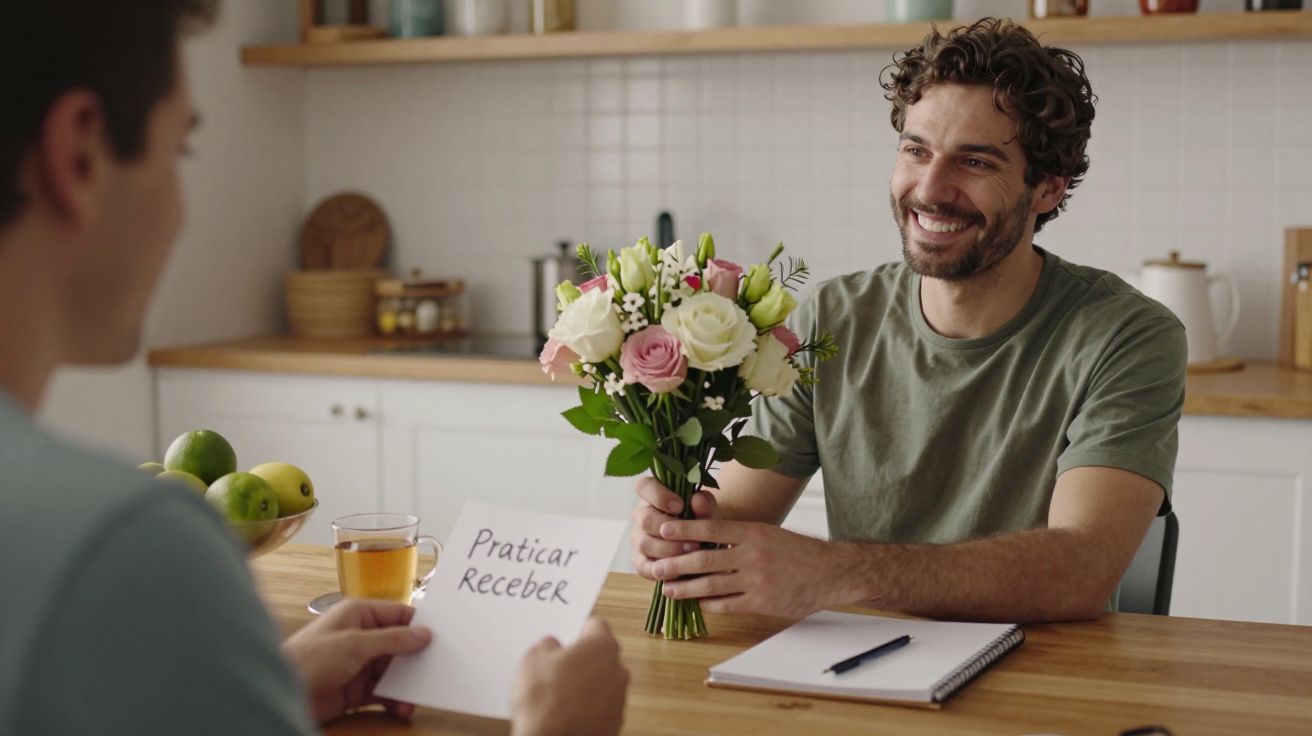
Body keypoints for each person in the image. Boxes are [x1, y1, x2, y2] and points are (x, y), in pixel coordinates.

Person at [0, 2, 626, 734]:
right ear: (78, 157)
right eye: (182, 153)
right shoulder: (130, 551)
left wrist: (268, 692)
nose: (179, 210)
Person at [630, 18, 1186, 625]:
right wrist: (681, 533)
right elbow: (731, 523)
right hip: (864, 667)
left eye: (974, 162)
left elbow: (1082, 569)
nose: (930, 188)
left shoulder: (1126, 336)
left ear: (1047, 189)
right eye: (916, 150)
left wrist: (836, 571)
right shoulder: (832, 317)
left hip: (1044, 681)